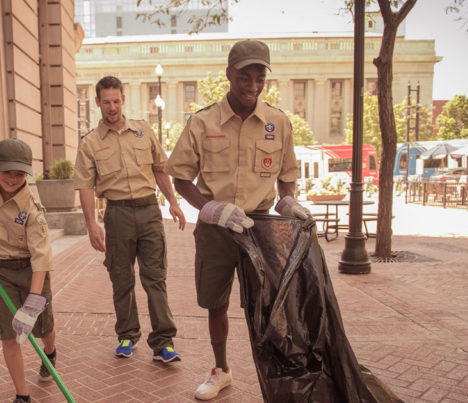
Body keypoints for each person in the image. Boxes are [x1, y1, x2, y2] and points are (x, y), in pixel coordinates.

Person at [165, 39, 310, 401]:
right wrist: (208, 208)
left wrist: (288, 200)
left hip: (259, 226)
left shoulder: (278, 122)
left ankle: (274, 374)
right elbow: (180, 175)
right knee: (216, 302)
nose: (252, 85)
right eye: (245, 77)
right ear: (229, 74)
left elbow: (287, 173)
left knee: (268, 305)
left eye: (259, 77)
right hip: (217, 228)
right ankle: (221, 370)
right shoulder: (202, 122)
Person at [74, 76, 187, 363]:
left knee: (155, 278)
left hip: (149, 210)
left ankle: (163, 342)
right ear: (98, 102)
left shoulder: (143, 131)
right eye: (106, 102)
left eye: (116, 101)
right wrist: (91, 225)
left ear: (123, 100)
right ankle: (127, 334)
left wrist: (172, 202)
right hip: (117, 214)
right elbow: (85, 185)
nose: (112, 107)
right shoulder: (90, 143)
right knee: (121, 278)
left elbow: (160, 169)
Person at [0, 138, 58, 403]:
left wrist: (32, 305)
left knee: (41, 327)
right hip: (1, 271)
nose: (13, 179)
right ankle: (22, 395)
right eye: (7, 172)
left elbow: (42, 260)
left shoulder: (33, 210)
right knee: (10, 336)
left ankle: (50, 352)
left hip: (32, 272)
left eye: (20, 174)